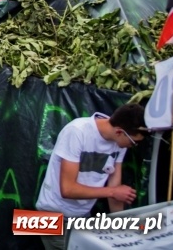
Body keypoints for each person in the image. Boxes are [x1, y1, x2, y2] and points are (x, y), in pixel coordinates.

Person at [36, 104, 147, 250]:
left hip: (82, 216)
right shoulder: (77, 131)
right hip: (53, 215)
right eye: (134, 142)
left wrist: (122, 230)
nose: (133, 146)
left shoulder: (119, 143)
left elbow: (115, 188)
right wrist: (113, 192)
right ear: (120, 132)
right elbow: (67, 189)